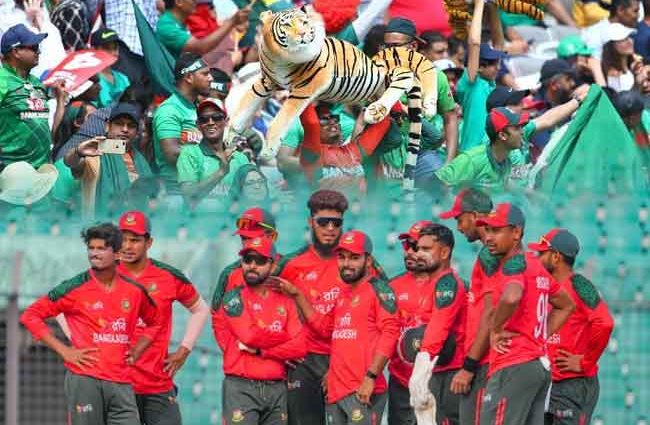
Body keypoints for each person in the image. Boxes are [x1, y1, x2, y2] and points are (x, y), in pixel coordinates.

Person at [20, 223, 163, 425]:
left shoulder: (135, 291)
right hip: (85, 380)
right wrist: (64, 351)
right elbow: (30, 315)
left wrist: (138, 349)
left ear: (117, 253)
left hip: (121, 383)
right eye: (91, 248)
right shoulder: (74, 287)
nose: (94, 253)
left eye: (102, 248)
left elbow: (156, 322)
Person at [276, 230, 400, 425]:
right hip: (336, 390)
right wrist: (297, 295)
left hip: (362, 390)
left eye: (354, 258)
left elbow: (390, 333)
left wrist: (371, 377)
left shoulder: (379, 289)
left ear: (368, 261)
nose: (346, 263)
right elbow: (326, 328)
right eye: (342, 257)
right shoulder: (343, 293)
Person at [475, 203, 575, 425]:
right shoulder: (534, 264)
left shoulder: (514, 264)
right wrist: (538, 336)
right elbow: (566, 305)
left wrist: (495, 329)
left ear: (516, 232)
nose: (489, 237)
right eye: (487, 230)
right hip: (537, 366)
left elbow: (512, 296)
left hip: (513, 364)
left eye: (496, 230)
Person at [117, 211, 210, 425]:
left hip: (157, 383)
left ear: (149, 243)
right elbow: (63, 307)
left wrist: (184, 350)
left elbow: (200, 309)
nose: (127, 246)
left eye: (135, 240)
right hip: (118, 385)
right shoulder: (104, 275)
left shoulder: (168, 276)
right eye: (123, 239)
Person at [274, 189, 350, 425]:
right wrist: (280, 347)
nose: (330, 228)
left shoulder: (355, 261)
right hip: (304, 361)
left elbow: (380, 302)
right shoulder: (291, 264)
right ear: (311, 222)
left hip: (344, 358)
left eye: (336, 223)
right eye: (323, 222)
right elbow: (267, 304)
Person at [213, 236, 306, 425]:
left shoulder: (286, 301)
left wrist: (262, 351)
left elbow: (300, 346)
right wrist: (285, 338)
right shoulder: (233, 298)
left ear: (272, 265)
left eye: (260, 261)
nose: (252, 266)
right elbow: (249, 336)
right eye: (248, 260)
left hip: (277, 389)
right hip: (241, 388)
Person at [528, 229, 614, 425]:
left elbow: (605, 322)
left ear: (556, 257)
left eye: (542, 253)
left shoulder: (579, 284)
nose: (538, 258)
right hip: (550, 384)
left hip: (573, 383)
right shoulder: (545, 287)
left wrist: (585, 362)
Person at [438, 189, 496, 425]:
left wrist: (470, 366)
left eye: (459, 219)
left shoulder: (489, 255)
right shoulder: (491, 253)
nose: (459, 228)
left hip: (484, 363)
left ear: (474, 216)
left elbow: (491, 312)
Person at [409, 224, 467, 425]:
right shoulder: (431, 284)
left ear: (444, 252)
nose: (419, 253)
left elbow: (439, 326)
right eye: (418, 248)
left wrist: (422, 366)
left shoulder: (447, 283)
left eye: (426, 249)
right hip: (438, 370)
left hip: (451, 373)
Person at [383, 17, 459, 163]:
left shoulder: (435, 76)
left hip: (423, 153)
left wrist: (449, 163)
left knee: (436, 175)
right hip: (387, 153)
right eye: (387, 46)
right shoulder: (376, 75)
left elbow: (450, 119)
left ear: (413, 46)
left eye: (396, 46)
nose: (389, 52)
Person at [64, 103, 153, 218]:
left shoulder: (141, 160)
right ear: (107, 126)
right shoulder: (95, 151)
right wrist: (78, 151)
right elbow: (70, 162)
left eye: (131, 126)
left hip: (134, 223)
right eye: (119, 124)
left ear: (137, 131)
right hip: (101, 224)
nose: (125, 129)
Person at [387, 220, 434, 425]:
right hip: (401, 383)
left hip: (435, 383)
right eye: (407, 245)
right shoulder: (392, 287)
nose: (409, 252)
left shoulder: (450, 286)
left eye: (415, 246)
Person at [0, 24, 66, 168]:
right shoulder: (1, 79)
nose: (39, 52)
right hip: (12, 171)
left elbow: (50, 132)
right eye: (34, 47)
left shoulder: (36, 82)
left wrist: (60, 100)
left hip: (43, 168)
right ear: (16, 51)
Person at [298, 102, 391, 196]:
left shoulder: (353, 150)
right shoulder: (312, 154)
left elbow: (383, 122)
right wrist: (306, 96)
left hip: (361, 205)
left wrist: (374, 105)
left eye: (334, 118)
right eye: (324, 120)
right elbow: (311, 123)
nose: (332, 122)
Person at [153, 53, 212, 196]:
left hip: (200, 188)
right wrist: (214, 159)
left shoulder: (197, 108)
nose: (211, 78)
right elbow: (172, 154)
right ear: (189, 77)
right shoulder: (169, 110)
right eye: (205, 74)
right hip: (175, 192)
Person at [177, 97, 250, 210]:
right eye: (204, 119)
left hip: (231, 219)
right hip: (199, 220)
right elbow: (188, 195)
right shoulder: (189, 153)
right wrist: (221, 172)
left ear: (226, 121)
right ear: (198, 124)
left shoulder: (240, 159)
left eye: (217, 117)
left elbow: (251, 197)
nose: (210, 122)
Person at [434, 107, 528, 192]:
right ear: (502, 135)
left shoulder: (507, 159)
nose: (522, 132)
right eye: (517, 128)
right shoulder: (472, 160)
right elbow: (435, 185)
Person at [211, 207, 279, 312]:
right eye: (243, 238)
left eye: (252, 238)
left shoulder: (289, 269)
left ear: (271, 237)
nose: (246, 243)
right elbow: (216, 313)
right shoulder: (229, 273)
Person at [456, 0, 503, 152]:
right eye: (493, 64)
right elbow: (474, 43)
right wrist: (479, 4)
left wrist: (493, 7)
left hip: (488, 155)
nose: (499, 67)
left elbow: (499, 43)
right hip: (471, 155)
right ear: (480, 67)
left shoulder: (489, 82)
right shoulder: (471, 83)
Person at [156, 0, 251, 59]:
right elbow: (201, 47)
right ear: (179, 2)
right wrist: (232, 22)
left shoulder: (178, 22)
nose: (196, 1)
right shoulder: (166, 26)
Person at [529, 59, 579, 152]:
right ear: (553, 85)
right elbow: (549, 151)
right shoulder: (534, 111)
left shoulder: (565, 101)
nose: (573, 83)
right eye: (568, 79)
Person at [90, 28, 131, 108]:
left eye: (115, 47)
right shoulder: (89, 81)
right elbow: (90, 111)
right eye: (107, 48)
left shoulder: (123, 79)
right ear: (93, 49)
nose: (112, 52)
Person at [601, 24, 641, 92]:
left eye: (628, 37)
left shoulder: (635, 64)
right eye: (623, 40)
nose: (629, 41)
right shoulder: (613, 75)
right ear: (612, 47)